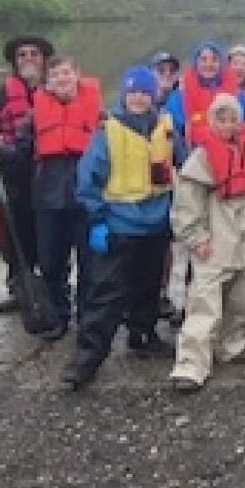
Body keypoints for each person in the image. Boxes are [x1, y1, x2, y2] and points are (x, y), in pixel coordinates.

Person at [65, 67, 178, 390]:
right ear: (124, 96)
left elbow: (183, 162)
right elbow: (88, 180)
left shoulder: (166, 127)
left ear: (153, 95)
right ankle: (87, 358)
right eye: (133, 92)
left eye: (144, 92)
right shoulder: (108, 131)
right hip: (119, 223)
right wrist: (97, 220)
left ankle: (143, 336)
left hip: (156, 223)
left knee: (149, 287)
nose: (139, 98)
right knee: (106, 294)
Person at [169, 94, 245, 393]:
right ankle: (191, 363)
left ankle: (232, 343)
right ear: (211, 122)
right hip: (215, 239)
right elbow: (187, 205)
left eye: (232, 119)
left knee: (240, 299)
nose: (227, 125)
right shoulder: (200, 159)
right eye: (221, 119)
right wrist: (195, 237)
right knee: (204, 303)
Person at [15, 55, 105, 340]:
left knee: (90, 263)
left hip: (87, 195)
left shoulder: (100, 114)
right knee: (51, 261)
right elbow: (19, 151)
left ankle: (88, 317)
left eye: (66, 73)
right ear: (47, 82)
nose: (61, 79)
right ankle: (59, 315)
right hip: (48, 196)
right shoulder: (35, 114)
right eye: (54, 75)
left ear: (78, 75)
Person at [0, 35, 53, 317]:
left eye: (34, 53)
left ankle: (51, 288)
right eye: (23, 55)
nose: (29, 59)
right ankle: (21, 289)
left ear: (44, 59)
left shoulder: (57, 90)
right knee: (14, 235)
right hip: (14, 174)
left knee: (48, 236)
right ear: (15, 62)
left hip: (49, 175)